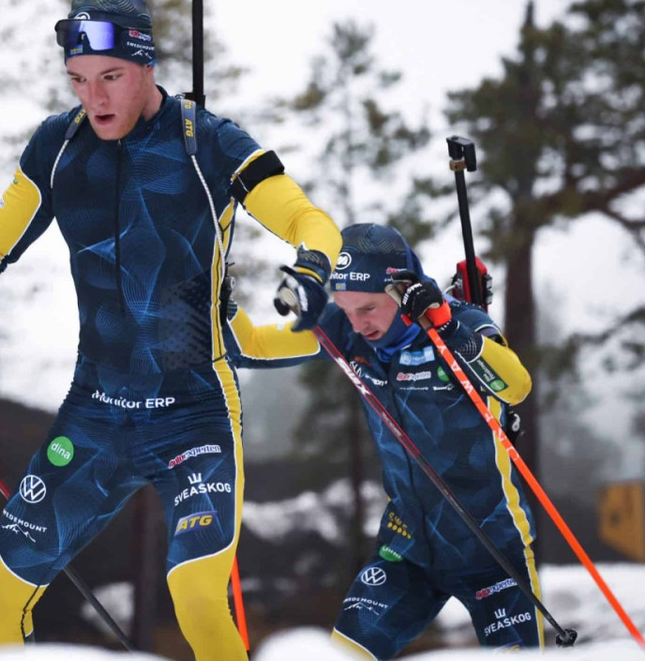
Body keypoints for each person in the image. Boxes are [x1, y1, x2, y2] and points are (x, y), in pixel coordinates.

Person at [0, 0, 342, 660]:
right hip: (97, 415)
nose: (95, 98)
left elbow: (306, 218)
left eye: (111, 76)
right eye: (79, 80)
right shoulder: (59, 147)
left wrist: (313, 270)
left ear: (147, 64)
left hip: (194, 414)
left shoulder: (208, 143)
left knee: (198, 599)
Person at [226, 223, 540, 658]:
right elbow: (250, 346)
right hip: (406, 551)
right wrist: (220, 304)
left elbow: (516, 386)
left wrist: (450, 329)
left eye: (369, 308)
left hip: (491, 551)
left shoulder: (457, 322)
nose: (358, 324)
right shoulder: (345, 332)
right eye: (345, 309)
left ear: (401, 290)